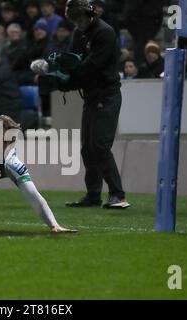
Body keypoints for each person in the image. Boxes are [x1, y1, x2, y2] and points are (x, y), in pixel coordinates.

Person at [55, 0, 130, 209]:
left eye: (79, 19)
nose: (77, 24)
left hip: (107, 95)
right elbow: (73, 61)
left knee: (100, 146)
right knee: (88, 149)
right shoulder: (79, 33)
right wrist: (61, 74)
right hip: (91, 96)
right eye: (74, 20)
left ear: (89, 15)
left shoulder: (105, 32)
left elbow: (91, 66)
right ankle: (94, 195)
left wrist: (65, 80)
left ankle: (118, 195)